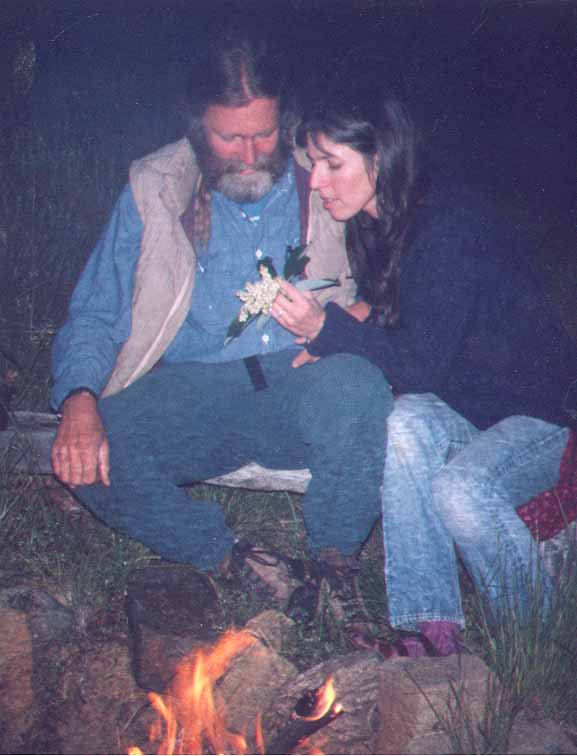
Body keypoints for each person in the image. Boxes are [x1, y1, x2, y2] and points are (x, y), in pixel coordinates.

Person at [50, 27, 392, 593]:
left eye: (264, 134)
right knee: (89, 450)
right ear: (196, 127)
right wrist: (79, 397)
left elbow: (402, 263)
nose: (252, 155)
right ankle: (236, 563)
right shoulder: (154, 188)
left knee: (356, 386)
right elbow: (96, 312)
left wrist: (359, 314)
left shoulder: (328, 174)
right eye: (230, 139)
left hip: (301, 382)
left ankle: (334, 569)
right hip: (193, 393)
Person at [270, 78, 577, 656]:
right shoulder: (379, 219)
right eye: (313, 164)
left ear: (380, 158)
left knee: (462, 489)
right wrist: (347, 323)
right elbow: (400, 311)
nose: (317, 182)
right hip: (473, 403)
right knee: (405, 423)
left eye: (333, 164)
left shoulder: (447, 228)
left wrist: (327, 329)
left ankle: (545, 645)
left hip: (542, 414)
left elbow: (421, 365)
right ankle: (429, 628)